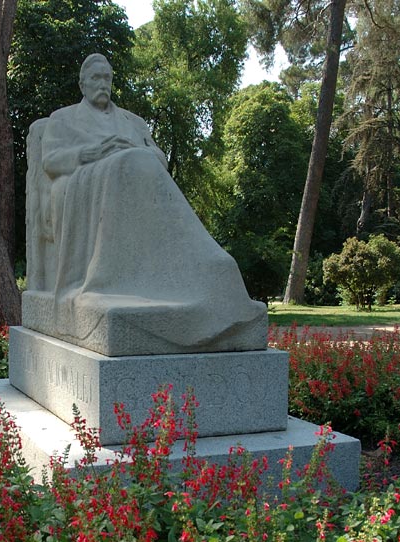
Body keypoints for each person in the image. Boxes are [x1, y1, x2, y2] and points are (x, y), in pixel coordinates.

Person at [24, 54, 266, 356]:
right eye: (96, 78)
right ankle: (109, 281)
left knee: (135, 162)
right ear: (82, 83)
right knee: (127, 163)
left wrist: (132, 151)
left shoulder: (133, 122)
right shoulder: (63, 118)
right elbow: (51, 161)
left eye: (107, 78)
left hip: (137, 186)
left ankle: (204, 269)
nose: (103, 84)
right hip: (88, 182)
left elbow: (160, 160)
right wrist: (96, 152)